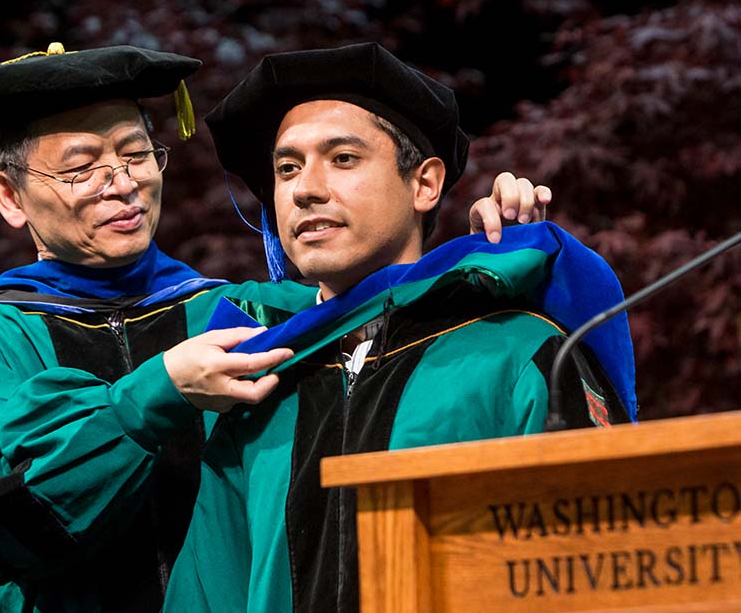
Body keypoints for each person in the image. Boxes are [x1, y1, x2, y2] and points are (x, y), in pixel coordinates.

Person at [0, 42, 544, 612]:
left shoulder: (240, 313)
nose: (121, 184)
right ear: (10, 197)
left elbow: (390, 315)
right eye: (80, 168)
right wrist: (156, 394)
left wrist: (493, 244)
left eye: (136, 155)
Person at [165, 42, 636, 612]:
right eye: (287, 167)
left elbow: (594, 571)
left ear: (425, 185)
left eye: (342, 158)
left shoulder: (516, 353)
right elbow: (208, 593)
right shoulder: (255, 379)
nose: (304, 188)